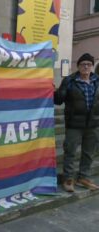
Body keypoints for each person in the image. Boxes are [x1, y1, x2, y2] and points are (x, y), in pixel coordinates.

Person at [54, 53, 99, 193]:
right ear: (78, 66)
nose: (86, 66)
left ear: (92, 66)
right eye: (83, 64)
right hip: (74, 124)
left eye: (88, 64)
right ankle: (68, 178)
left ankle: (83, 177)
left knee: (88, 153)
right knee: (70, 151)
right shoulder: (69, 81)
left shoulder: (97, 81)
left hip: (93, 124)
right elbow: (58, 100)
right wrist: (56, 91)